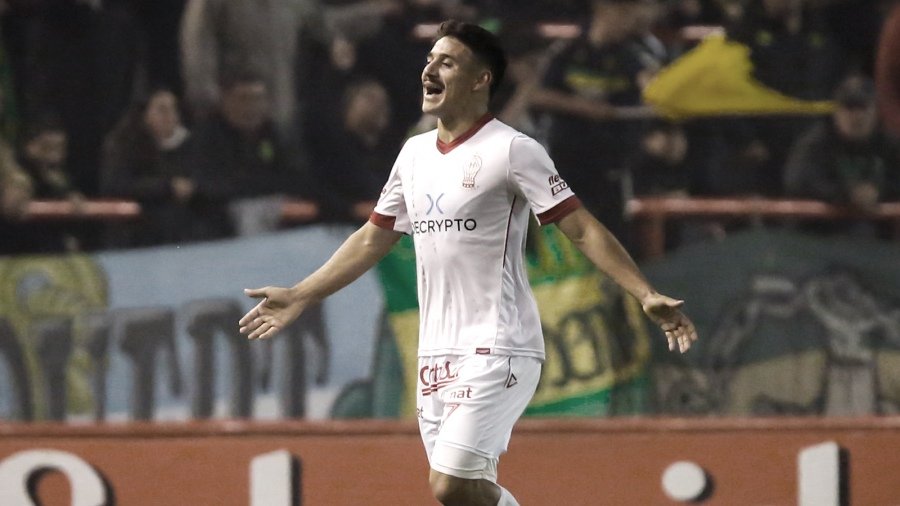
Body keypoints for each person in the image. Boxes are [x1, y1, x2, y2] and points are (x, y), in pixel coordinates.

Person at [239, 20, 697, 506]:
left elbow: (580, 227)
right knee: (461, 495)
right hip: (434, 354)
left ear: (481, 80)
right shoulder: (414, 154)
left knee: (449, 481)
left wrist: (644, 292)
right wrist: (302, 293)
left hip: (499, 346)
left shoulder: (513, 150)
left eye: (447, 62)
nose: (429, 70)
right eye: (429, 60)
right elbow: (373, 238)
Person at [783, 74, 900, 237]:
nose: (856, 116)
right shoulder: (815, 144)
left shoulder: (890, 144)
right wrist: (847, 196)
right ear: (836, 112)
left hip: (878, 237)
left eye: (863, 108)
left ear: (875, 111)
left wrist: (878, 192)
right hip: (820, 234)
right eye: (849, 108)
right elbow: (798, 182)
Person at [101, 88, 196, 247]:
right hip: (134, 233)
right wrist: (167, 187)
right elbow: (117, 185)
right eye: (162, 110)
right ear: (143, 114)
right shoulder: (123, 145)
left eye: (174, 109)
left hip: (177, 234)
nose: (170, 116)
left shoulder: (187, 144)